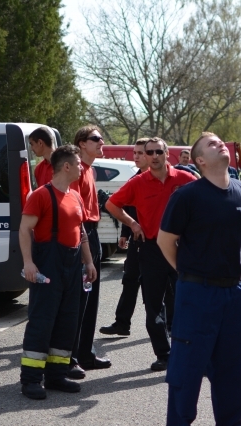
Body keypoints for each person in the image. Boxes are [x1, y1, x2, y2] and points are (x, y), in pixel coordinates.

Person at [157, 132, 241, 426]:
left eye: (220, 142)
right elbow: (165, 241)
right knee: (187, 366)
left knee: (232, 366)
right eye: (211, 144)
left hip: (234, 292)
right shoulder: (187, 196)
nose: (221, 144)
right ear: (199, 160)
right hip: (196, 291)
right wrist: (189, 273)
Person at [106, 137, 196, 371]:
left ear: (167, 154)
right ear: (145, 156)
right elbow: (112, 204)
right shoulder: (138, 182)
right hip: (151, 249)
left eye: (158, 151)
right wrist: (133, 224)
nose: (154, 156)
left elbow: (204, 200)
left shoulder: (185, 179)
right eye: (149, 152)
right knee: (153, 305)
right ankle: (163, 354)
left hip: (181, 249)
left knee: (186, 301)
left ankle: (187, 350)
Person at [18, 145, 96, 400]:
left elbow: (81, 232)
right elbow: (24, 230)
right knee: (42, 321)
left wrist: (89, 262)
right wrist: (29, 263)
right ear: (66, 166)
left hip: (72, 265)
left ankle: (56, 375)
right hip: (48, 264)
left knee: (67, 321)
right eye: (78, 163)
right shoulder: (40, 195)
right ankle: (31, 380)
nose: (82, 167)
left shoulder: (75, 196)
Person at [69, 126, 111, 375]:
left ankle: (85, 354)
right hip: (81, 234)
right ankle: (70, 358)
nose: (101, 141)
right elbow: (72, 212)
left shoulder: (90, 170)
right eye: (96, 139)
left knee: (90, 300)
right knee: (78, 301)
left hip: (92, 233)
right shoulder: (75, 170)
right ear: (82, 143)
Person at [99, 138, 150, 337]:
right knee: (130, 280)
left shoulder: (159, 180)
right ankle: (122, 323)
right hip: (137, 241)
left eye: (140, 153)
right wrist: (125, 233)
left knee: (160, 287)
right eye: (134, 153)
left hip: (156, 242)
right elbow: (127, 208)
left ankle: (168, 325)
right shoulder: (134, 179)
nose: (136, 157)